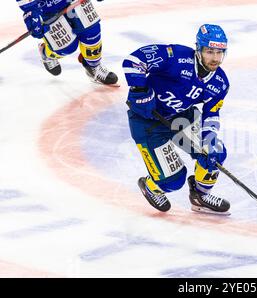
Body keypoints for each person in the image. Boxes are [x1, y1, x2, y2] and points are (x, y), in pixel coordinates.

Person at [122, 24, 230, 215]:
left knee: (215, 153)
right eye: (210, 51)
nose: (215, 58)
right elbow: (134, 60)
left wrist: (209, 141)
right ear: (199, 49)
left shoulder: (219, 83)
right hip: (148, 123)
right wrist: (139, 90)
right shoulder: (176, 57)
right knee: (173, 182)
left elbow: (211, 113)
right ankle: (150, 186)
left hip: (182, 118)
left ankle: (200, 196)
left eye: (219, 52)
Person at [17, 0, 118, 85]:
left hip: (74, 2)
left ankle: (93, 66)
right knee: (67, 48)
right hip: (46, 11)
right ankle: (46, 53)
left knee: (91, 32)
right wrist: (31, 13)